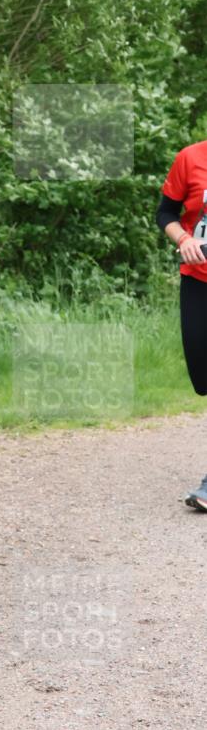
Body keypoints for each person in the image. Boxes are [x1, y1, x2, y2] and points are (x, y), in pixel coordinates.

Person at [156, 138, 207, 512]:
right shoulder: (190, 158)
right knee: (203, 375)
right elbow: (166, 213)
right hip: (199, 280)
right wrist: (184, 238)